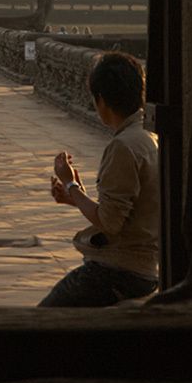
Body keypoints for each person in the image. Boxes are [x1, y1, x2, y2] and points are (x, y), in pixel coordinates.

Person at [39, 51, 159, 307]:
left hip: (118, 270)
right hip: (145, 267)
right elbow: (125, 212)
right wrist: (74, 196)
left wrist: (70, 184)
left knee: (43, 319)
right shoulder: (149, 136)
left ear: (101, 101)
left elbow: (110, 222)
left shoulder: (123, 147)